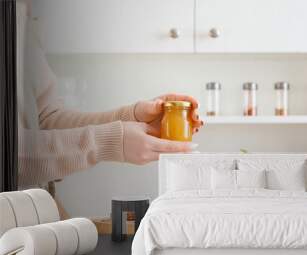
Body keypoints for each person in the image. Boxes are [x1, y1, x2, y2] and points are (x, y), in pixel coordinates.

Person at [16, 0, 202, 187]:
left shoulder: (23, 10)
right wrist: (108, 142)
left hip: (34, 203)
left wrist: (132, 117)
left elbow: (46, 120)